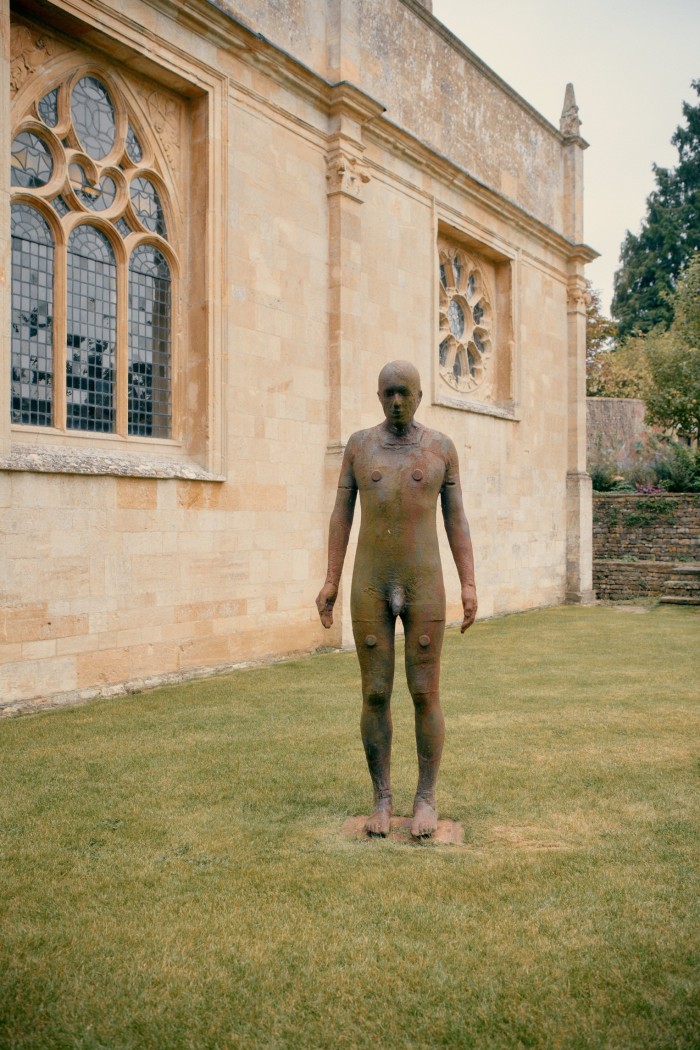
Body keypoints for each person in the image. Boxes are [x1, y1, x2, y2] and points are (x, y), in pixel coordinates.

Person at [316, 360, 477, 838]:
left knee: (425, 692)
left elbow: (457, 520)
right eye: (388, 393)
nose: (397, 401)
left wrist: (468, 583)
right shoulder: (360, 447)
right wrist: (330, 580)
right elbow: (340, 514)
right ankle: (382, 798)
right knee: (375, 692)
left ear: (421, 396)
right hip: (372, 583)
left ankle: (425, 798)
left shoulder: (441, 449)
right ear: (378, 395)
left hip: (425, 582)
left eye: (405, 393)